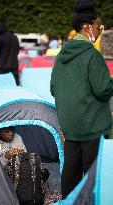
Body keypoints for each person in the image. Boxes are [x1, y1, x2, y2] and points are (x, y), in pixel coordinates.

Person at [50, 0, 113, 199]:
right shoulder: (92, 56)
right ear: (87, 28)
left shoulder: (61, 56)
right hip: (92, 126)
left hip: (69, 127)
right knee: (93, 180)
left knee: (70, 177)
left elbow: (53, 88)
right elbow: (103, 90)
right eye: (98, 26)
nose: (100, 31)